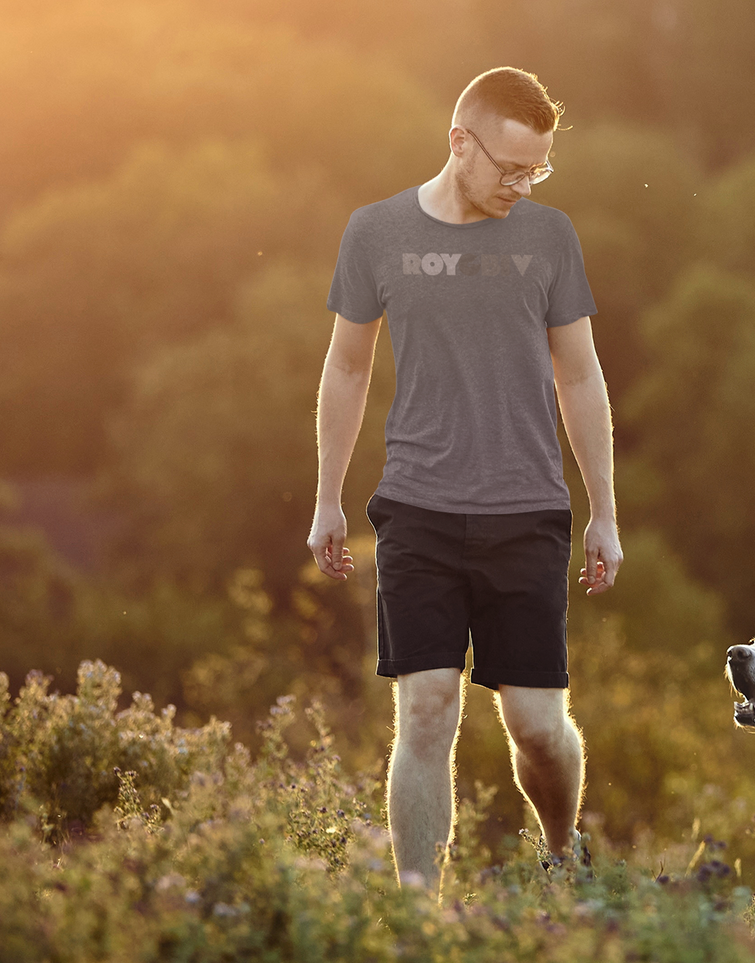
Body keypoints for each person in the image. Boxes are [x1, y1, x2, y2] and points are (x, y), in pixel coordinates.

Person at [307, 67, 622, 892]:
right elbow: (345, 367)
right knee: (426, 709)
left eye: (536, 171)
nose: (521, 186)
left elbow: (580, 379)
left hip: (527, 510)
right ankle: (418, 910)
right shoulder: (374, 232)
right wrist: (327, 498)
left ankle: (562, 856)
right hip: (417, 508)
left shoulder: (550, 238)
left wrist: (603, 514)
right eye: (509, 168)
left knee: (537, 727)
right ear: (459, 142)